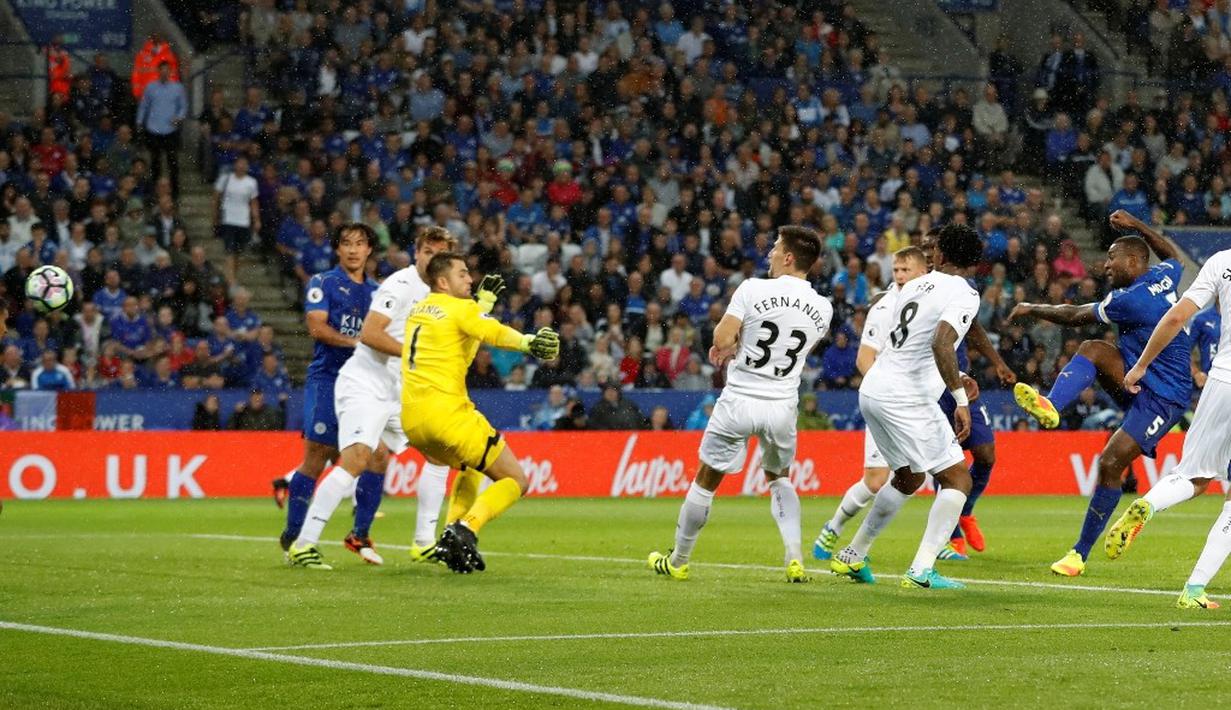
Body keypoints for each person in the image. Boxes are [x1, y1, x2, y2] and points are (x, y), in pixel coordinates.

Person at [1010, 209, 1192, 577]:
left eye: (1112, 257)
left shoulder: (1129, 300)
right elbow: (1171, 254)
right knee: (1093, 348)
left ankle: (1079, 554)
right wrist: (1139, 226)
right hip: (1135, 377)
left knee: (1110, 463)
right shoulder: (1163, 274)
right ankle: (1051, 405)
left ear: (1133, 260)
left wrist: (1033, 308)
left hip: (1165, 397)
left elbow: (1074, 314)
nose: (1105, 265)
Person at [649, 226, 833, 583]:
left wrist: (729, 345)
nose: (771, 254)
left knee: (706, 481)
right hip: (781, 404)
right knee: (779, 479)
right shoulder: (823, 307)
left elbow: (721, 337)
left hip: (740, 399)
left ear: (789, 257)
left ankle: (679, 560)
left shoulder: (752, 288)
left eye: (776, 248)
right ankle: (794, 557)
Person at [288, 226, 458, 567]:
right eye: (426, 252)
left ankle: (421, 542)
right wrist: (413, 354)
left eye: (439, 254)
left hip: (397, 389)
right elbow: (369, 334)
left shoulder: (442, 294)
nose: (431, 259)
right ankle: (301, 543)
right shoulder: (400, 284)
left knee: (439, 453)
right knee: (353, 458)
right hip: (364, 383)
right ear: (416, 252)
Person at [829, 224, 983, 590]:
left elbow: (908, 345)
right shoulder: (964, 292)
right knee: (959, 478)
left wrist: (958, 375)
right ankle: (922, 569)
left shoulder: (911, 286)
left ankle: (853, 555)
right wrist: (960, 398)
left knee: (909, 476)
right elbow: (940, 343)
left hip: (875, 390)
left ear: (941, 256)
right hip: (906, 398)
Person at [400, 252, 560, 573]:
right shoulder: (460, 307)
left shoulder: (419, 311)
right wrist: (528, 343)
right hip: (448, 415)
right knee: (516, 479)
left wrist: (482, 305)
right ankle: (466, 528)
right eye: (462, 274)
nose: (470, 279)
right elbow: (492, 332)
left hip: (413, 421)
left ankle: (450, 535)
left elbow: (465, 346)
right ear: (443, 282)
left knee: (472, 467)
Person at [1106, 245, 1231, 609]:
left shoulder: (1221, 261)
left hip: (1222, 382)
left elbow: (1175, 317)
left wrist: (1142, 365)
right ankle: (1193, 588)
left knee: (1194, 476)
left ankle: (1148, 503)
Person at [811, 248, 928, 559]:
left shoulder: (928, 305)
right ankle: (834, 530)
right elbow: (865, 359)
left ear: (922, 272)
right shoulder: (885, 306)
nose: (900, 275)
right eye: (897, 270)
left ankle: (864, 549)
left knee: (917, 476)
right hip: (888, 403)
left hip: (915, 403)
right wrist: (889, 389)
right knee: (877, 480)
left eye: (906, 270)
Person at [278, 224, 377, 569]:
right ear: (338, 250)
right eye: (347, 243)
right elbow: (316, 327)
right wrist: (356, 343)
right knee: (317, 456)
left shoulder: (379, 293)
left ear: (369, 251)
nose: (353, 250)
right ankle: (294, 536)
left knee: (373, 456)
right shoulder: (323, 283)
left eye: (360, 244)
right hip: (328, 380)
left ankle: (361, 534)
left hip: (366, 386)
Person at [137, 62, 187, 198]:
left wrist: (179, 117)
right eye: (162, 70)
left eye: (167, 70)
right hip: (153, 128)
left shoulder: (178, 88)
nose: (164, 72)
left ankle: (175, 192)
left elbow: (183, 107)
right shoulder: (150, 87)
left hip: (171, 129)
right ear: (158, 71)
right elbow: (144, 106)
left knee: (173, 162)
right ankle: (155, 191)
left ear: (170, 71)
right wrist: (139, 121)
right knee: (155, 162)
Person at [213, 156, 260, 286]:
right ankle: (231, 279)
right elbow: (216, 198)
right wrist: (215, 216)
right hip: (228, 218)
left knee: (239, 252)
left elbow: (253, 202)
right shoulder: (226, 179)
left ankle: (233, 276)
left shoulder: (251, 182)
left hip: (243, 220)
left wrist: (256, 220)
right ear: (235, 164)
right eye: (239, 163)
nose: (241, 166)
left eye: (244, 163)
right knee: (229, 250)